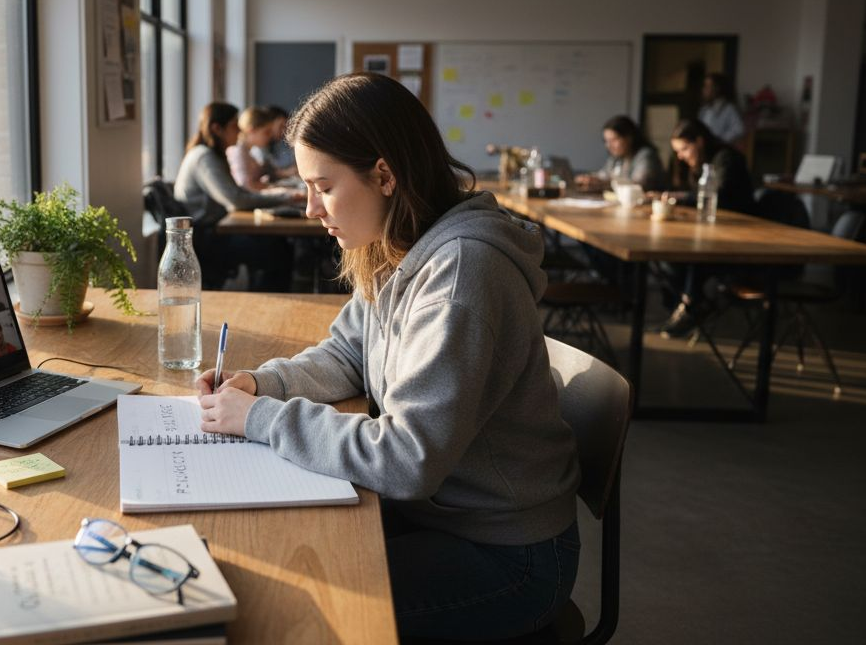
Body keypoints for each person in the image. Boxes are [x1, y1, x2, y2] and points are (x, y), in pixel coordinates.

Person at [192, 72, 580, 641]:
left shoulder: (463, 274)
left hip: (508, 556)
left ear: (384, 175)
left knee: (276, 605)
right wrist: (262, 384)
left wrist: (261, 419)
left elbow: (407, 458)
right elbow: (349, 352)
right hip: (440, 517)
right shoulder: (398, 247)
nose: (309, 208)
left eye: (323, 187)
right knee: (259, 558)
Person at [174, 102, 298, 291]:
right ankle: (266, 304)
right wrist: (284, 197)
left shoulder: (212, 156)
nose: (239, 131)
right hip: (205, 238)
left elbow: (237, 195)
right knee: (274, 251)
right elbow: (235, 200)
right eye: (233, 126)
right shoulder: (204, 157)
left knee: (276, 246)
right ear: (217, 128)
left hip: (214, 230)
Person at [659, 119, 758, 338]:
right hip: (717, 230)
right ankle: (690, 305)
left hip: (740, 236)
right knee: (667, 255)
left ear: (700, 141)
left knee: (691, 253)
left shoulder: (726, 159)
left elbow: (717, 197)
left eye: (684, 148)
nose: (681, 156)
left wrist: (680, 198)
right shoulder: (697, 165)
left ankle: (691, 306)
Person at [574, 114, 666, 192]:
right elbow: (603, 175)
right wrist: (589, 179)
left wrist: (604, 183)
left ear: (629, 138)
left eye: (614, 140)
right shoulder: (616, 158)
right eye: (606, 141)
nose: (609, 145)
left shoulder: (645, 155)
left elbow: (639, 185)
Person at [698, 72, 744, 145]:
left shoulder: (728, 109)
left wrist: (720, 141)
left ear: (717, 88)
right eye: (704, 86)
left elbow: (738, 130)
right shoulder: (704, 110)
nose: (704, 90)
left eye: (707, 86)